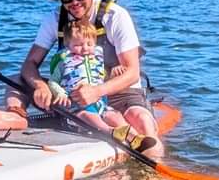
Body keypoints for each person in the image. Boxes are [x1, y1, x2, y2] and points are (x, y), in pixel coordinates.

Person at [0, 0, 165, 157]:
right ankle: (17, 116)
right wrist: (40, 86)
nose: (74, 2)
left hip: (117, 92)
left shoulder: (116, 16)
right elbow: (30, 64)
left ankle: (154, 167)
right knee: (17, 80)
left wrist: (97, 91)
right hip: (69, 94)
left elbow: (132, 72)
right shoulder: (55, 19)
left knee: (141, 122)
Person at [45, 19, 156, 152]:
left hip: (100, 104)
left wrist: (114, 73)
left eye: (89, 44)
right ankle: (110, 131)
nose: (85, 48)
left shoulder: (96, 59)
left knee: (114, 116)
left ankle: (135, 138)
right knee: (88, 116)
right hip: (77, 106)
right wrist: (60, 93)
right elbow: (52, 81)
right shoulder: (64, 62)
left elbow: (102, 78)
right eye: (78, 45)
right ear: (68, 44)